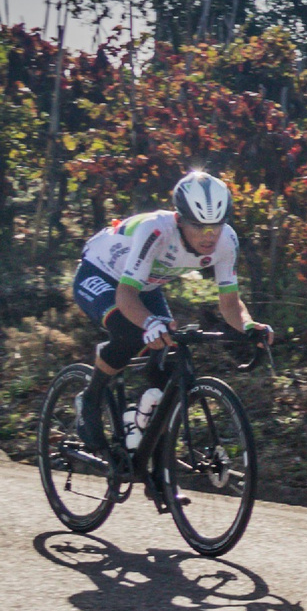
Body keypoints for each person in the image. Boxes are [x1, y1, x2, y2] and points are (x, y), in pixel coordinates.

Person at [71, 170, 272, 448]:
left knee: (169, 356)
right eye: (199, 226)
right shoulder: (155, 230)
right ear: (179, 220)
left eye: (216, 225)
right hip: (101, 273)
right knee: (131, 333)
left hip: (145, 285)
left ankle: (143, 435)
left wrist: (250, 326)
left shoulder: (227, 240)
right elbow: (126, 295)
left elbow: (229, 305)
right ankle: (90, 400)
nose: (209, 235)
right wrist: (150, 324)